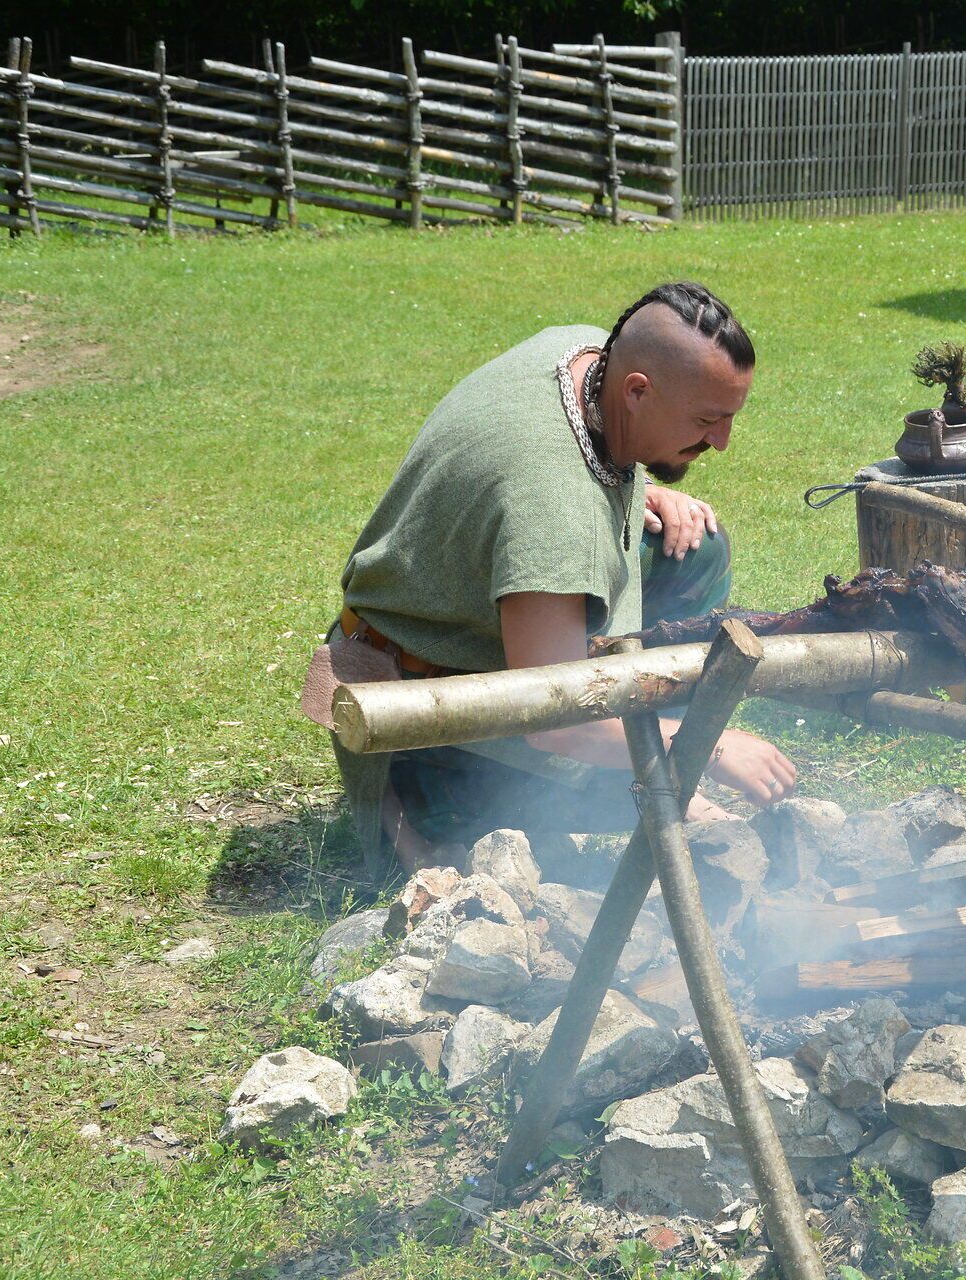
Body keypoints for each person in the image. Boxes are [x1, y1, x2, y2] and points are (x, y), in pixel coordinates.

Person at [310, 281, 797, 870]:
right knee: (635, 781)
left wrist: (643, 483)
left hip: (469, 619)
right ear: (637, 392)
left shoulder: (585, 353)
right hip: (414, 715)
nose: (721, 442)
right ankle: (410, 817)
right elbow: (555, 722)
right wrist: (706, 747)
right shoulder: (555, 511)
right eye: (706, 420)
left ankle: (641, 730)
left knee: (697, 551)